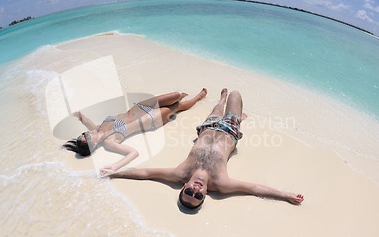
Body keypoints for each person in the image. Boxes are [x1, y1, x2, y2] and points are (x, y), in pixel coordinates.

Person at [101, 89, 304, 210]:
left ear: (183, 187)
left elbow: (145, 173)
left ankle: (221, 100)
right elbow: (254, 188)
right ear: (206, 194)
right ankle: (236, 113)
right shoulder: (221, 183)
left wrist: (115, 174)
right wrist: (285, 195)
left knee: (218, 106)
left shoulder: (180, 173)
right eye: (198, 195)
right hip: (231, 129)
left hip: (208, 127)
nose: (195, 189)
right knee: (236, 93)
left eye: (189, 191)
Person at [64, 89, 207, 172]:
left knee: (175, 95)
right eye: (87, 138)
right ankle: (198, 98)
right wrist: (115, 166)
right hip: (151, 119)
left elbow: (89, 124)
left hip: (139, 107)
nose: (87, 133)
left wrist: (79, 116)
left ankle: (178, 98)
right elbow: (133, 153)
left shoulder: (98, 129)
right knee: (179, 106)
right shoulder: (109, 142)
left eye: (83, 134)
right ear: (94, 145)